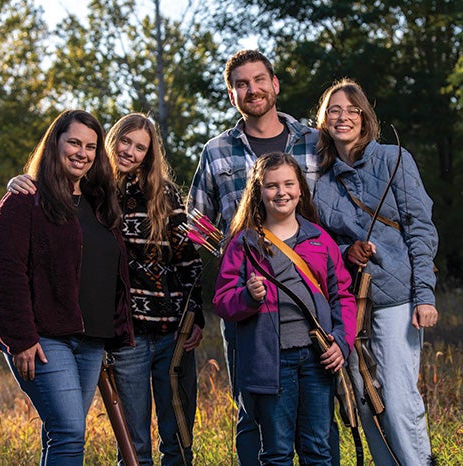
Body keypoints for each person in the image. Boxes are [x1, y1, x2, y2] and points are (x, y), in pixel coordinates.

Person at [8, 113, 205, 465]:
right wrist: (19, 181)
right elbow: (20, 263)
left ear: (150, 153)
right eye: (125, 141)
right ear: (111, 143)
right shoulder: (95, 193)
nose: (130, 151)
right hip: (120, 333)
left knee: (176, 434)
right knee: (123, 438)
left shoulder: (152, 195)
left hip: (158, 328)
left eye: (140, 147)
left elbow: (186, 257)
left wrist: (197, 314)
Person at [188, 49, 330, 466]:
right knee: (253, 409)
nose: (252, 90)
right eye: (242, 84)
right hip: (250, 304)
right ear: (232, 95)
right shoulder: (216, 151)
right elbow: (196, 225)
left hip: (313, 296)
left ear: (275, 84)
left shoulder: (314, 141)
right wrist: (235, 253)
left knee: (320, 414)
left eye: (259, 80)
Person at [0, 109, 133, 466]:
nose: (82, 153)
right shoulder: (25, 200)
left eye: (90, 146)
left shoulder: (100, 203)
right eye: (74, 142)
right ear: (55, 143)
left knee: (62, 432)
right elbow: (8, 274)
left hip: (91, 340)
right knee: (70, 432)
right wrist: (21, 339)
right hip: (44, 338)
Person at [310, 79, 440, 465]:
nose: (343, 116)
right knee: (364, 400)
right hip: (351, 306)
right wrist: (348, 251)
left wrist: (425, 296)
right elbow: (323, 245)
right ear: (324, 121)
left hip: (397, 299)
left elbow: (420, 227)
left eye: (352, 110)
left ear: (365, 119)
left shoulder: (393, 159)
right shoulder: (323, 186)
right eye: (334, 110)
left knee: (399, 399)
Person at [212, 152, 355, 465]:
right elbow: (223, 300)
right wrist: (248, 297)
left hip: (318, 358)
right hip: (271, 362)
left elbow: (342, 295)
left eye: (289, 184)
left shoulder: (320, 239)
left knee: (318, 449)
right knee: (276, 452)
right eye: (272, 186)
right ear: (259, 192)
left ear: (300, 189)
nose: (282, 192)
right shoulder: (244, 243)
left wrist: (342, 341)